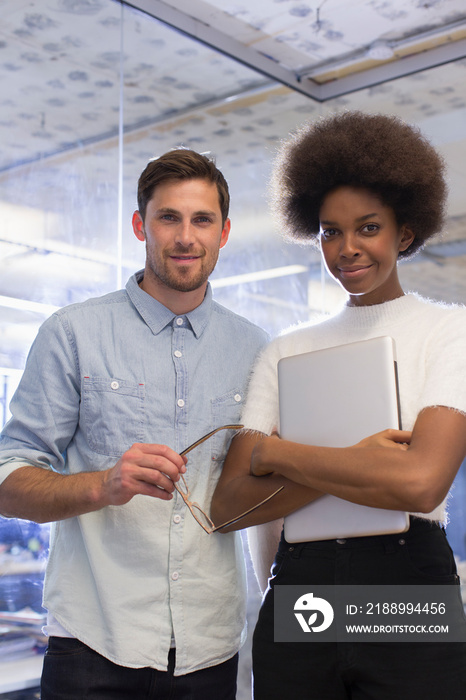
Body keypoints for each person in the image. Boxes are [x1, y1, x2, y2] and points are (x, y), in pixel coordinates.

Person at [211, 111, 466, 699]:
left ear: (404, 232)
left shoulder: (448, 333)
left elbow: (421, 484)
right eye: (330, 231)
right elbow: (228, 505)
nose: (347, 248)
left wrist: (277, 453)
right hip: (304, 589)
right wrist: (360, 461)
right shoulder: (284, 351)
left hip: (408, 586)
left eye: (368, 228)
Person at [0, 149, 268, 699]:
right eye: (169, 217)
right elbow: (8, 481)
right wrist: (105, 483)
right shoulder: (73, 333)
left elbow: (264, 491)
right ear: (139, 225)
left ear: (225, 232)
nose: (186, 237)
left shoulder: (255, 350)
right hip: (93, 644)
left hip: (209, 646)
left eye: (202, 220)